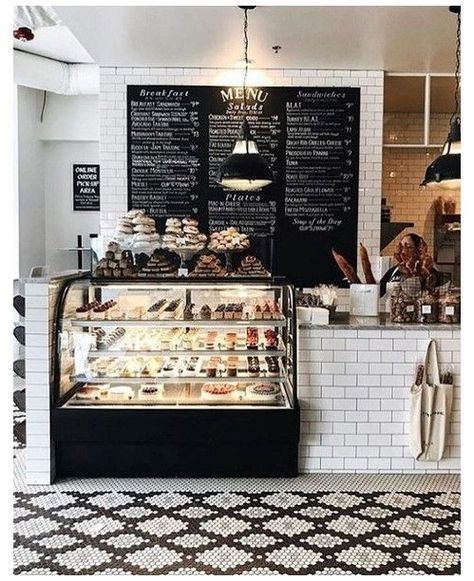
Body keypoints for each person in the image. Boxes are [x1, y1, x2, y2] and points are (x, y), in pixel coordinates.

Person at [380, 233, 449, 296]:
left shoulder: (429, 272)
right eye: (401, 247)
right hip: (392, 309)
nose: (403, 251)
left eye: (409, 247)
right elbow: (378, 292)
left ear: (419, 250)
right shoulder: (393, 271)